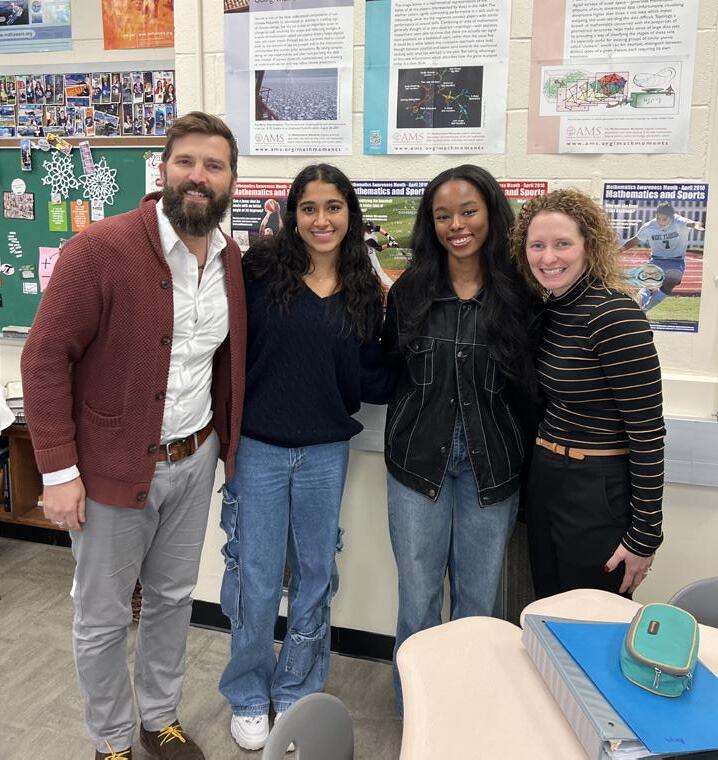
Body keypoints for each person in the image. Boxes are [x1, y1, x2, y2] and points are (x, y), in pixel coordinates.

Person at [21, 111, 246, 760]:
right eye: (186, 162)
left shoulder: (229, 258)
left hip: (194, 458)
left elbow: (221, 363)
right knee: (103, 614)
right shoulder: (101, 248)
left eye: (213, 165)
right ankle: (112, 740)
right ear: (163, 169)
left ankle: (158, 719)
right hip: (110, 468)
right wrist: (59, 471)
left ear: (231, 179)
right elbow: (44, 358)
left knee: (172, 600)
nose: (198, 176)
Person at [219, 163, 393, 751]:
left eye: (334, 207)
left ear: (350, 215)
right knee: (256, 576)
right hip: (259, 449)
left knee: (316, 575)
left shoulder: (364, 288)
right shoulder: (260, 270)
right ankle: (249, 694)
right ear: (292, 214)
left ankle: (296, 689)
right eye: (310, 207)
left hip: (325, 452)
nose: (322, 220)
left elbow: (371, 377)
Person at [382, 165, 540, 712]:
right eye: (443, 215)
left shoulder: (520, 294)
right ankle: (419, 713)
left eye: (468, 211)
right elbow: (389, 370)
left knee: (479, 605)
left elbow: (530, 393)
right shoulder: (410, 291)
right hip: (416, 466)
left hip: (491, 470)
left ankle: (470, 713)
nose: (457, 225)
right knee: (418, 601)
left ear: (492, 213)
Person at [511, 189, 664, 599]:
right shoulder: (551, 309)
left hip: (595, 488)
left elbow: (648, 431)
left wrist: (645, 534)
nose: (548, 257)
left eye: (562, 244)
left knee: (591, 618)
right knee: (547, 610)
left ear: (589, 246)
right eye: (537, 245)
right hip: (546, 479)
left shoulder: (614, 314)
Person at [622, 203, 704, 311]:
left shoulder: (678, 222)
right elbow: (635, 240)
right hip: (656, 260)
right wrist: (619, 250)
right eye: (658, 218)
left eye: (664, 219)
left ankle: (646, 309)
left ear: (672, 217)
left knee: (673, 278)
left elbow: (691, 223)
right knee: (648, 283)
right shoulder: (649, 227)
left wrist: (697, 225)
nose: (660, 222)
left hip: (676, 261)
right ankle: (635, 309)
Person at [363, 221, 399, 288]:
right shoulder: (366, 238)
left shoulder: (368, 227)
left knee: (370, 272)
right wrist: (390, 244)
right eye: (370, 231)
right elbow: (379, 248)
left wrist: (388, 236)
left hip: (369, 252)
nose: (371, 232)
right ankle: (390, 286)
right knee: (378, 272)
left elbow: (378, 228)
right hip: (368, 256)